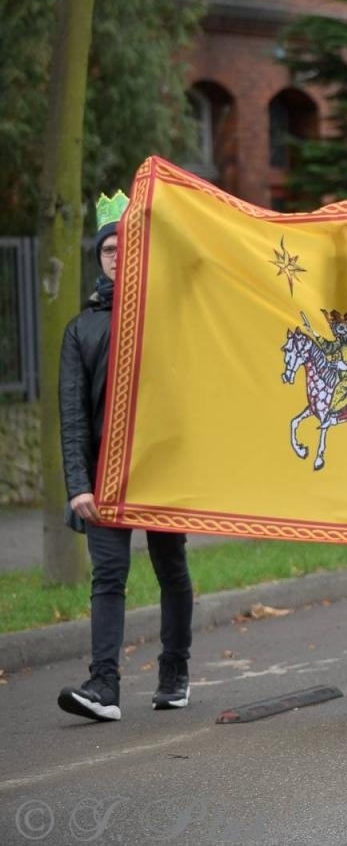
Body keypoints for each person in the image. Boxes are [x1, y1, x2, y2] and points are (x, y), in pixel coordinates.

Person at [58, 192, 195, 722]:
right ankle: (104, 686)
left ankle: (174, 671)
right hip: (105, 478)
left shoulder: (169, 316)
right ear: (100, 256)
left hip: (162, 468)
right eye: (108, 248)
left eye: (125, 246)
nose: (116, 254)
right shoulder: (82, 328)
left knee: (171, 568)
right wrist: (78, 485)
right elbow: (72, 417)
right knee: (108, 575)